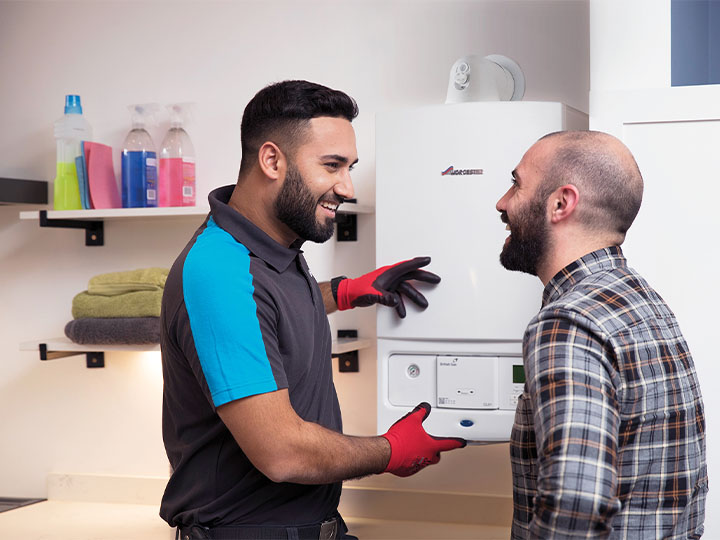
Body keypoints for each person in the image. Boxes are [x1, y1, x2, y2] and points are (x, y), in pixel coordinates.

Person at [159, 80, 465, 540]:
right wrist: (390, 450)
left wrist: (343, 292)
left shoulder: (268, 249)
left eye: (350, 167)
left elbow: (263, 313)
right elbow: (282, 452)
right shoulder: (219, 270)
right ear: (272, 160)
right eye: (332, 166)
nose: (346, 187)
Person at [496, 130, 707, 539]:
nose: (502, 202)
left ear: (561, 203)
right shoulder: (642, 300)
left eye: (516, 183)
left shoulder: (567, 321)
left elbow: (575, 506)